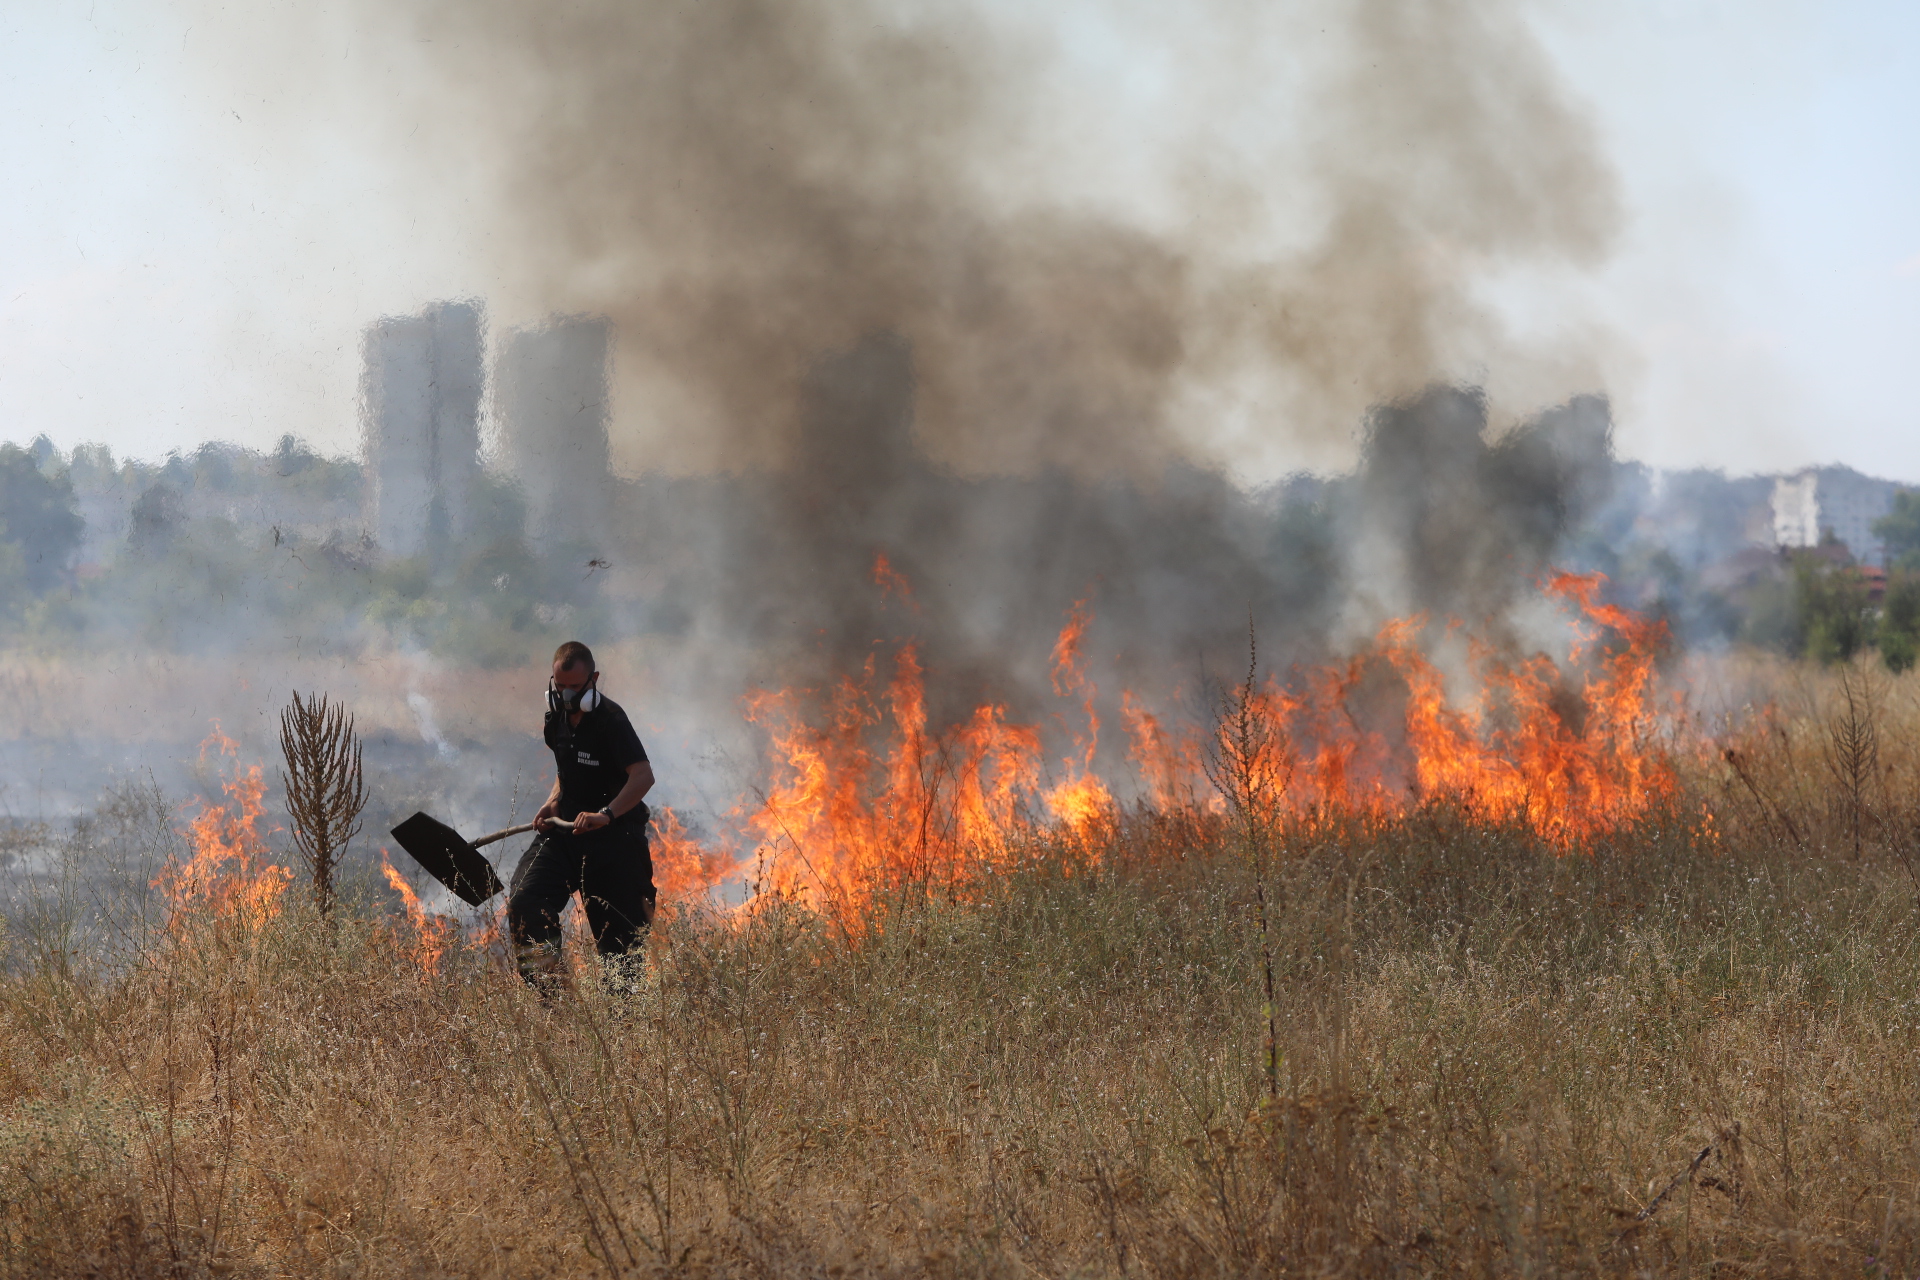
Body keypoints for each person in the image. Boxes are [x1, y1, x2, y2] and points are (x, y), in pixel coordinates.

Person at [506, 640, 657, 989]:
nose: (567, 696)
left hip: (614, 842)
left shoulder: (612, 720)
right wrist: (553, 801)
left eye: (575, 687)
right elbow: (567, 771)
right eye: (560, 687)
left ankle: (625, 1031)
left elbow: (643, 775)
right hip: (565, 835)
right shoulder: (554, 719)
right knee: (525, 901)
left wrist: (606, 814)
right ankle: (554, 1000)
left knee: (621, 952)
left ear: (594, 679)